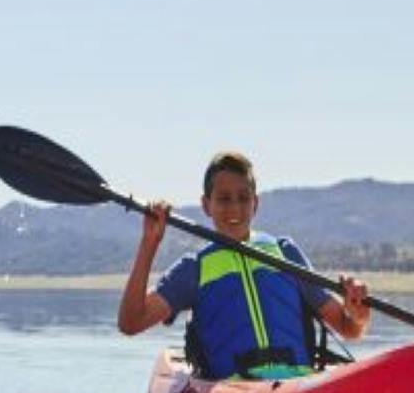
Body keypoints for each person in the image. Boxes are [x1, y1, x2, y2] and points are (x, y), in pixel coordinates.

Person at [118, 149, 370, 379]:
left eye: (243, 198)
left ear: (255, 203)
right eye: (224, 199)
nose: (234, 208)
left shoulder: (285, 254)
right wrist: (149, 243)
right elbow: (131, 322)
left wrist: (357, 314)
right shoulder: (194, 269)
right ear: (206, 205)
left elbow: (348, 328)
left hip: (297, 384)